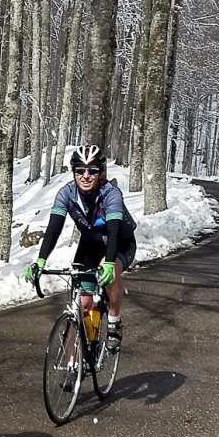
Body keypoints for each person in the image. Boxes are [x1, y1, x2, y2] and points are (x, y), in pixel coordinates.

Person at [24, 144, 136, 354]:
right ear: (73, 172)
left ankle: (114, 323)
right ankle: (75, 363)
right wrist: (40, 261)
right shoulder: (66, 193)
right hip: (90, 246)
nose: (86, 176)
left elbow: (113, 233)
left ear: (100, 173)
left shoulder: (111, 194)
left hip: (120, 244)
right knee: (81, 305)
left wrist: (110, 263)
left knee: (109, 273)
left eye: (92, 170)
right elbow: (53, 229)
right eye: (80, 170)